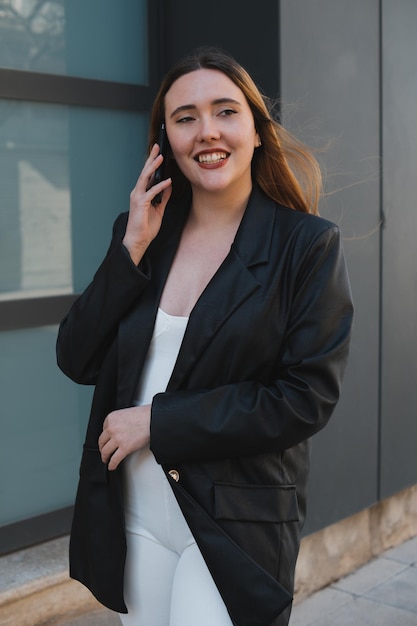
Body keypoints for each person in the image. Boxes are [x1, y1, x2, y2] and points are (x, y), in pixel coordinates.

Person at [56, 47, 353, 626]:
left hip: (232, 520)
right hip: (135, 512)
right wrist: (130, 251)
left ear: (257, 130)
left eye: (225, 111)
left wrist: (156, 420)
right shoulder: (143, 233)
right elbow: (75, 356)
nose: (206, 131)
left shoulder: (306, 245)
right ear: (164, 138)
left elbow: (305, 398)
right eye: (185, 117)